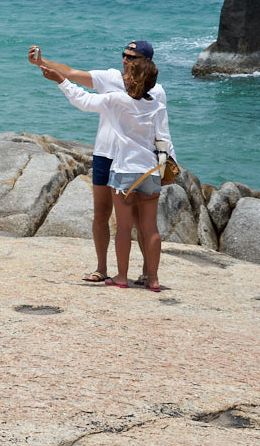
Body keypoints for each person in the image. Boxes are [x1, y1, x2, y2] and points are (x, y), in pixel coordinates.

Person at [27, 40, 171, 285]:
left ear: (146, 62)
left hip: (127, 162)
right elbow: (72, 72)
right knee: (102, 213)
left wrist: (166, 164)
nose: (125, 60)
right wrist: (41, 62)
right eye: (124, 55)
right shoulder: (111, 78)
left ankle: (143, 273)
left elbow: (81, 98)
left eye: (132, 57)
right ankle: (104, 268)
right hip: (110, 156)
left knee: (135, 221)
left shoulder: (152, 92)